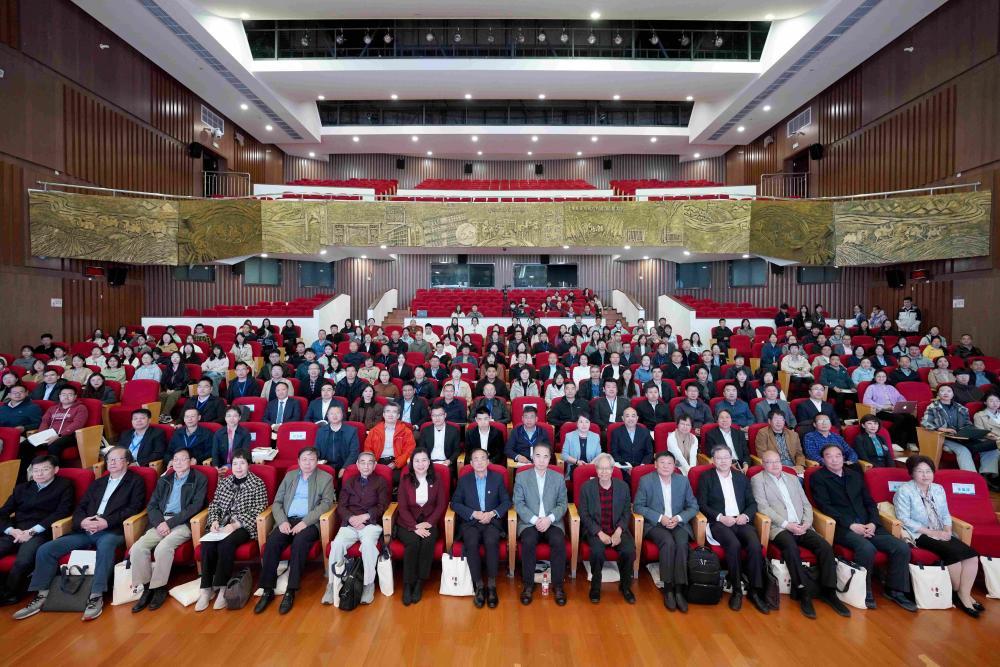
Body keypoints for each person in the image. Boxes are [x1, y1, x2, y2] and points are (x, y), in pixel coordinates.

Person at [14, 447, 145, 622]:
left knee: (106, 546)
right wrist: (82, 522)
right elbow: (81, 507)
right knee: (46, 549)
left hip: (111, 530)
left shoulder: (135, 481)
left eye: (117, 459)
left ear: (127, 461)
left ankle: (96, 595)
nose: (111, 463)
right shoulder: (98, 482)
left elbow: (134, 508)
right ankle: (42, 594)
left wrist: (106, 522)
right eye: (109, 459)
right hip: (85, 529)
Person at [810, 444, 916, 611]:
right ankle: (864, 590)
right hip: (843, 527)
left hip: (869, 524)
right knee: (866, 548)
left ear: (843, 458)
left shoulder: (854, 475)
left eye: (838, 456)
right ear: (823, 459)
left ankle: (895, 590)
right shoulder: (818, 477)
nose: (834, 459)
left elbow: (869, 502)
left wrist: (873, 522)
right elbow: (825, 507)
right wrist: (852, 525)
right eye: (829, 456)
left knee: (901, 547)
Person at [752, 450, 850, 619]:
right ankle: (803, 591)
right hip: (780, 527)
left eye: (777, 461)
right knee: (791, 548)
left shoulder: (792, 478)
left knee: (825, 547)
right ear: (763, 464)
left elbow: (806, 503)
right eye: (769, 462)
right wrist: (787, 524)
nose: (774, 465)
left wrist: (806, 523)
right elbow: (762, 507)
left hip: (802, 525)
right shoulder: (757, 480)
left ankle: (829, 591)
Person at [893, 455, 982, 616]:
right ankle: (960, 594)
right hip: (920, 534)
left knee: (972, 556)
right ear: (912, 473)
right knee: (953, 555)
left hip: (941, 531)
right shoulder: (904, 491)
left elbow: (945, 513)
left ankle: (965, 594)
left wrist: (947, 530)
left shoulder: (938, 489)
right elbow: (904, 519)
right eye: (920, 471)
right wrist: (933, 533)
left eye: (928, 471)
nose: (925, 475)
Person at [256, 447, 334, 615]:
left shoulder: (325, 478)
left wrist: (305, 522)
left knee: (299, 543)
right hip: (287, 521)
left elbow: (327, 504)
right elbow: (277, 502)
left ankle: (290, 591)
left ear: (317, 461)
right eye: (304, 459)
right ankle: (267, 590)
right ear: (298, 461)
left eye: (312, 459)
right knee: (272, 543)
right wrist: (282, 521)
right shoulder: (290, 476)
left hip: (309, 523)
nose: (308, 463)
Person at [129, 448, 207, 613]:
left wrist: (169, 523)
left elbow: (195, 507)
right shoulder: (165, 479)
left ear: (191, 461)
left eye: (183, 459)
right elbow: (152, 506)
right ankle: (147, 588)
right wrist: (159, 523)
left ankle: (159, 587)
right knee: (137, 548)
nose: (178, 463)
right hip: (160, 522)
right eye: (175, 459)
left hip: (182, 522)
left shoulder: (199, 479)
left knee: (163, 548)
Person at [698, 445, 769, 613]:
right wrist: (721, 517)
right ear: (713, 460)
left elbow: (752, 503)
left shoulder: (741, 477)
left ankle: (755, 590)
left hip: (740, 520)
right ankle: (737, 589)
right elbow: (702, 504)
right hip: (719, 522)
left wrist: (745, 516)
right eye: (719, 458)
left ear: (731, 459)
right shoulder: (706, 477)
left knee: (754, 545)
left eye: (726, 457)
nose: (723, 461)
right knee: (733, 544)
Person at [196, 449, 269, 611]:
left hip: (244, 526)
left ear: (248, 465)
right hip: (223, 525)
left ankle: (222, 588)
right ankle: (206, 589)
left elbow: (260, 509)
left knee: (226, 544)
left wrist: (236, 524)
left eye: (242, 463)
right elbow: (214, 505)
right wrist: (214, 521)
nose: (238, 467)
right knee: (207, 544)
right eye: (235, 463)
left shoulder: (257, 483)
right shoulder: (225, 482)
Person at [0, 454, 73, 605]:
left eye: (45, 469)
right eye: (36, 470)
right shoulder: (22, 488)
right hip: (16, 530)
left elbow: (62, 512)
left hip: (41, 531)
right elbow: (3, 512)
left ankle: (9, 594)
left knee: (23, 561)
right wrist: (11, 530)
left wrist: (32, 532)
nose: (39, 474)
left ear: (56, 469)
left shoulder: (64, 485)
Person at [450, 448, 511, 609]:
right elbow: (455, 503)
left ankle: (491, 585)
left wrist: (492, 513)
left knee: (491, 541)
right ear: (471, 463)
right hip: (471, 522)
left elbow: (506, 502)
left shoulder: (497, 478)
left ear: (488, 461)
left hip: (491, 521)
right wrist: (473, 513)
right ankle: (478, 586)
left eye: (483, 458)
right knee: (471, 542)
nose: (479, 462)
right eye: (475, 459)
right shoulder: (464, 480)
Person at [577, 452, 636, 604]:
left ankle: (625, 586)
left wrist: (618, 532)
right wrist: (599, 533)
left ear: (612, 469)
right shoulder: (587, 488)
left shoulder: (623, 487)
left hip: (617, 529)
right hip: (596, 530)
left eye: (607, 468)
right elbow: (584, 514)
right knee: (597, 551)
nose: (604, 472)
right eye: (600, 468)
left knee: (629, 550)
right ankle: (595, 587)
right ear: (596, 470)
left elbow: (626, 512)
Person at [513, 443, 568, 606]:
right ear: (532, 457)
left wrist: (549, 519)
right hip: (530, 522)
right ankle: (528, 585)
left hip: (552, 521)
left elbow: (563, 504)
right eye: (538, 456)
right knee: (528, 541)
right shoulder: (522, 476)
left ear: (550, 458)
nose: (541, 460)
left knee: (558, 541)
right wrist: (535, 520)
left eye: (545, 456)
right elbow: (518, 503)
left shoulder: (558, 477)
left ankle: (558, 585)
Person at [396, 449, 447, 606]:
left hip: (429, 522)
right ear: (412, 463)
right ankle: (407, 584)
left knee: (427, 542)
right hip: (407, 523)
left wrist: (429, 522)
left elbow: (441, 505)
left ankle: (420, 582)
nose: (420, 464)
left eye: (424, 460)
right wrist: (414, 526)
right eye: (417, 460)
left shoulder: (437, 479)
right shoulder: (405, 479)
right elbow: (402, 507)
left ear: (429, 462)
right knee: (412, 543)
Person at [922, 385, 999, 483]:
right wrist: (941, 429)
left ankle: (988, 476)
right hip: (943, 437)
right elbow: (925, 422)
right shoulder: (933, 407)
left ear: (953, 394)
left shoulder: (961, 408)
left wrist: (980, 434)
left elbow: (967, 424)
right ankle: (972, 480)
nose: (945, 393)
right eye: (942, 391)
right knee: (963, 450)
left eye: (949, 391)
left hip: (961, 436)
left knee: (992, 447)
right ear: (938, 394)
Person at [24, 386, 89, 473]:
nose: (66, 397)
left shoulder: (80, 408)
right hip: (49, 433)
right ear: (59, 396)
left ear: (75, 397)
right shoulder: (53, 408)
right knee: (24, 445)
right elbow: (45, 421)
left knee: (54, 445)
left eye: (70, 395)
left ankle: (54, 472)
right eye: (64, 394)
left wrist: (59, 435)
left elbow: (77, 424)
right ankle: (26, 472)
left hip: (69, 435)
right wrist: (42, 435)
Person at [862, 369, 918, 447]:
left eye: (883, 376)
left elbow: (900, 398)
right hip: (880, 411)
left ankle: (910, 442)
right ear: (874, 377)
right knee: (900, 418)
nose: (881, 378)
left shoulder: (890, 387)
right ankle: (893, 441)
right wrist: (883, 407)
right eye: (879, 376)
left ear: (886, 377)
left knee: (911, 417)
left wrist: (904, 405)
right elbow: (866, 400)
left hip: (894, 409)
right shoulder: (871, 387)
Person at [609, 408, 653, 482]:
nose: (630, 419)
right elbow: (614, 453)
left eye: (633, 416)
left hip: (641, 466)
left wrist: (642, 466)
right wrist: (626, 467)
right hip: (623, 468)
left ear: (637, 418)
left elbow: (649, 453)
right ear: (623, 418)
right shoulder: (616, 433)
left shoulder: (645, 432)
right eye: (627, 416)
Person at [416, 405, 462, 477]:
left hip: (446, 463)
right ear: (431, 417)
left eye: (440, 415)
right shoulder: (425, 431)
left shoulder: (453, 431)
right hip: (428, 462)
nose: (437, 418)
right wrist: (426, 461)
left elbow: (457, 450)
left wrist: (449, 461)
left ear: (445, 415)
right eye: (434, 415)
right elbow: (421, 449)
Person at [314, 404, 360, 472]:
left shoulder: (351, 431)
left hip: (345, 466)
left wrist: (345, 468)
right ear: (327, 416)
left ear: (342, 415)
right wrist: (318, 462)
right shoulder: (321, 431)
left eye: (338, 413)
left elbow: (354, 453)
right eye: (332, 413)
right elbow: (316, 449)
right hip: (325, 466)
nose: (334, 416)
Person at [561, 415, 601, 481]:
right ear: (577, 423)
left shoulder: (596, 437)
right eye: (581, 422)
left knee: (594, 480)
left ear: (590, 424)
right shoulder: (569, 436)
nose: (584, 424)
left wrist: (590, 465)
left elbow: (599, 456)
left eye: (587, 422)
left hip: (591, 467)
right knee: (581, 478)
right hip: (575, 467)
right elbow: (564, 455)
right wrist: (577, 462)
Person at [157, 352, 189, 424]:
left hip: (180, 389)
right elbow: (163, 380)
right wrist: (167, 389)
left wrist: (174, 390)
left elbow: (185, 381)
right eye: (173, 357)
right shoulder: (168, 367)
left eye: (177, 357)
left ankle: (165, 415)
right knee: (161, 395)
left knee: (172, 396)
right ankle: (161, 415)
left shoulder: (184, 368)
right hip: (168, 389)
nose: (175, 358)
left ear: (180, 358)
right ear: (170, 358)